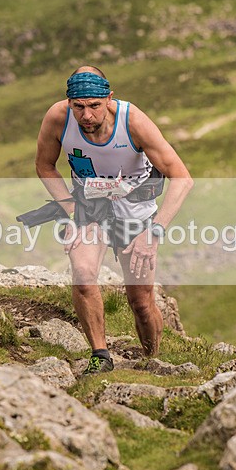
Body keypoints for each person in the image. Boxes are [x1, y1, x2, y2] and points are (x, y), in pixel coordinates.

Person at [35, 66, 193, 375]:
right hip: (88, 206)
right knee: (82, 274)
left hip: (135, 210)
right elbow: (44, 165)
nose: (86, 115)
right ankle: (100, 355)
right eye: (78, 106)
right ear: (69, 103)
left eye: (94, 105)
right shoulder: (58, 117)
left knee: (142, 301)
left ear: (109, 98)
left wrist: (155, 231)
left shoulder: (132, 121)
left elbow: (182, 178)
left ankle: (151, 358)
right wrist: (69, 210)